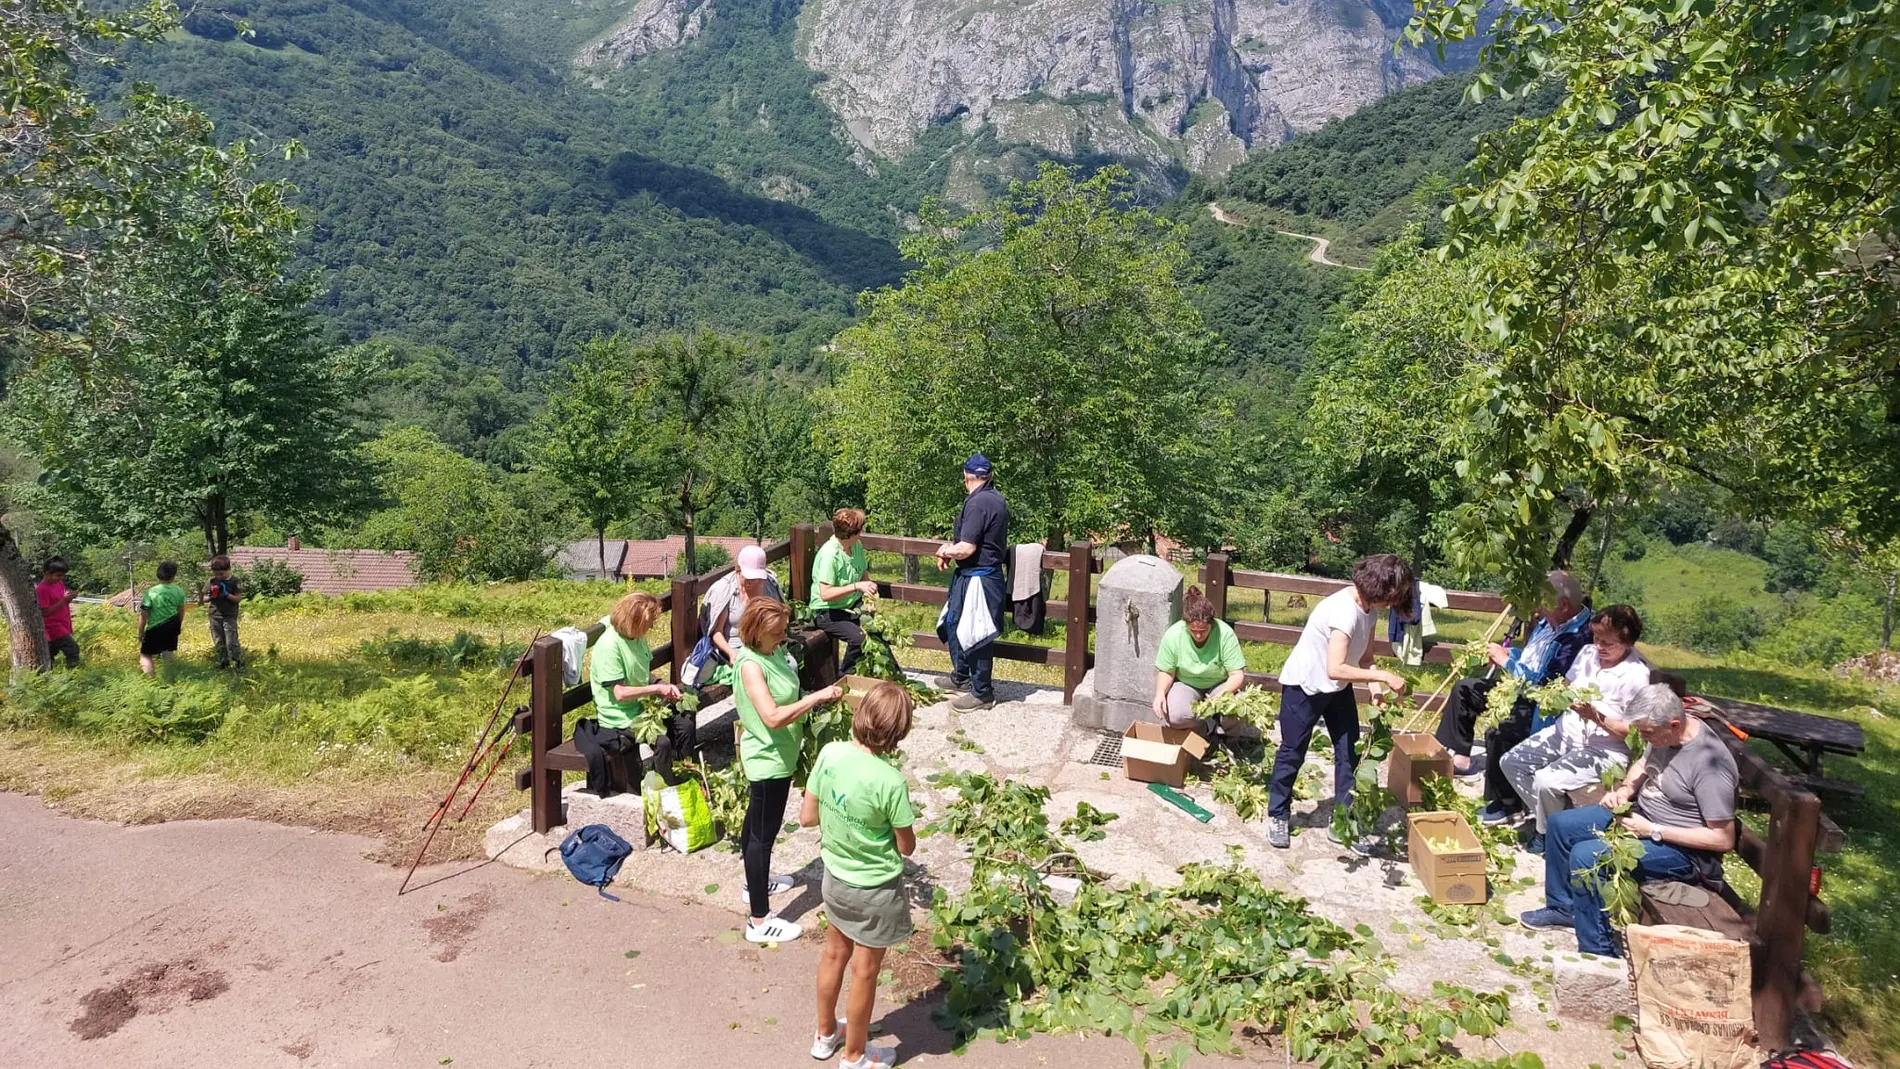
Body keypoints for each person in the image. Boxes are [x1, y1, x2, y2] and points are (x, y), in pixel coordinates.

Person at [1521, 683, 1739, 957]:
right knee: (1561, 825)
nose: (1643, 737)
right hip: (1641, 817)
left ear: (1673, 724)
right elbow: (1644, 762)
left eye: (1648, 732)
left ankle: (1597, 950)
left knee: (1587, 857)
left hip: (1682, 851)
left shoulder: (1710, 766)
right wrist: (1625, 790)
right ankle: (1563, 909)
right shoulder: (1666, 735)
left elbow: (1723, 838)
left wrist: (1653, 830)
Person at [802, 682, 917, 1069]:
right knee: (865, 973)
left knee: (834, 953)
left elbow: (807, 817)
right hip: (875, 889)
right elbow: (906, 846)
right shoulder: (890, 782)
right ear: (898, 734)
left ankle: (824, 1035)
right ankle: (854, 1056)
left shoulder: (830, 753)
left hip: (834, 879)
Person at [1267, 554, 1415, 853]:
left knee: (1351, 751)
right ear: (1381, 587)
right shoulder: (1343, 612)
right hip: (1305, 686)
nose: (1397, 599)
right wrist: (1385, 677)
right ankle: (1278, 814)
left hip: (1337, 689)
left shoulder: (1369, 610)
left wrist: (1375, 689)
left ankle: (1343, 821)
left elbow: (1366, 659)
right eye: (1395, 592)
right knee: (1293, 751)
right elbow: (1335, 667)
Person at [1494, 605, 1652, 852]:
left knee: (1546, 781)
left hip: (1603, 750)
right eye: (1596, 638)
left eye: (1607, 643)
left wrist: (1596, 716)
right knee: (1511, 762)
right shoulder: (1588, 653)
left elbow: (1633, 733)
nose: (1599, 646)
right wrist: (1555, 695)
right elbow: (1565, 685)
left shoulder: (1636, 675)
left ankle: (1547, 834)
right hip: (1564, 732)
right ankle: (1557, 823)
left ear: (1628, 642)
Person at [735, 597, 844, 944]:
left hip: (781, 752)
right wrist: (817, 698)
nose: (783, 636)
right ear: (755, 632)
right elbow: (772, 716)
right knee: (761, 838)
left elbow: (787, 697)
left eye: (784, 629)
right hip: (768, 760)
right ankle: (759, 921)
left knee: (754, 826)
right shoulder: (751, 665)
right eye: (776, 632)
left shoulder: (774, 653)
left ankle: (756, 884)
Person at [1433, 570, 1591, 776]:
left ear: (1563, 605)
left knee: (1499, 729)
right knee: (1465, 689)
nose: (1539, 609)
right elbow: (1532, 656)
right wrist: (1511, 653)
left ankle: (1503, 800)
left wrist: (1506, 662)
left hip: (1536, 705)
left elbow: (1546, 687)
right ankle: (1460, 758)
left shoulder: (1579, 638)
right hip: (1517, 684)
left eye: (1544, 602)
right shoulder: (1551, 620)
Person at [579, 592, 681, 797]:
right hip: (618, 718)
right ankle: (663, 790)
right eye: (649, 622)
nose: (651, 627)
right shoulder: (609, 646)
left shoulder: (636, 637)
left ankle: (675, 778)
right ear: (634, 620)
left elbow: (643, 675)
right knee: (662, 742)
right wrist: (656, 689)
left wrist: (663, 685)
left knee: (683, 723)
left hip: (639, 710)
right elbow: (620, 693)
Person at [935, 454, 1009, 712]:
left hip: (979, 578)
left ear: (966, 476)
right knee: (954, 623)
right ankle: (962, 676)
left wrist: (946, 550)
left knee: (976, 633)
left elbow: (966, 548)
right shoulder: (995, 498)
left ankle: (982, 692)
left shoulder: (978, 504)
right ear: (988, 476)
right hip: (973, 576)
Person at [1150, 586, 1247, 733]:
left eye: (1203, 631)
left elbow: (1236, 675)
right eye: (1194, 631)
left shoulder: (1225, 633)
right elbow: (1166, 672)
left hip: (1219, 684)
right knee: (1176, 715)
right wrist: (1160, 693)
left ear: (1211, 624)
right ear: (1186, 624)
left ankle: (1227, 740)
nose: (1199, 636)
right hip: (1186, 683)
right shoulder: (1174, 635)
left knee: (1234, 709)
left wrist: (1220, 696)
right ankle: (1205, 730)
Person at [811, 508, 878, 674]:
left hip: (851, 604)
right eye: (860, 530)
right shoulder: (829, 555)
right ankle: (845, 676)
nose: (862, 533)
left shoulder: (856, 545)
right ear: (851, 533)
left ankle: (889, 674)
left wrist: (868, 594)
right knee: (859, 638)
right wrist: (857, 587)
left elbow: (862, 572)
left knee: (878, 632)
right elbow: (825, 594)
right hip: (827, 611)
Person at [705, 544, 783, 670]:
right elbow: (716, 632)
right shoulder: (725, 590)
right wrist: (731, 652)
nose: (752, 580)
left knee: (790, 666)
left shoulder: (768, 585)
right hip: (735, 647)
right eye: (748, 576)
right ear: (738, 569)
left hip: (765, 644)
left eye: (756, 577)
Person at [138, 561, 188, 677]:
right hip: (173, 625)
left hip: (155, 627)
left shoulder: (151, 592)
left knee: (146, 654)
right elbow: (181, 610)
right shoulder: (178, 590)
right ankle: (170, 677)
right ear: (173, 576)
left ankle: (150, 680)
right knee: (168, 652)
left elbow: (143, 614)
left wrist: (141, 631)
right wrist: (178, 625)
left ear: (158, 574)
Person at [36, 557, 81, 668]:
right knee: (72, 649)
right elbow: (45, 612)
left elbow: (61, 599)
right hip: (53, 627)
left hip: (63, 623)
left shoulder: (59, 583)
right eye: (58, 575)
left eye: (62, 576)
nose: (60, 578)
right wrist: (64, 600)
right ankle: (74, 674)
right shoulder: (42, 589)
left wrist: (69, 597)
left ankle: (48, 676)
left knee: (50, 653)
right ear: (47, 573)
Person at [204, 554, 243, 670]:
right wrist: (211, 596)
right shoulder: (211, 581)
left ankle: (238, 663)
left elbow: (238, 599)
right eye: (216, 574)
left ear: (228, 570)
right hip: (215, 615)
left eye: (221, 574)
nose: (219, 576)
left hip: (229, 615)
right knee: (219, 641)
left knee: (231, 641)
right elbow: (203, 599)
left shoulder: (234, 581)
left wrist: (226, 594)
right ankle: (223, 663)